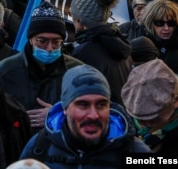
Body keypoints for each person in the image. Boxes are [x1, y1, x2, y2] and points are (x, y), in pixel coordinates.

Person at [19, 64, 151, 165]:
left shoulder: (134, 151)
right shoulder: (39, 147)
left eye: (101, 104)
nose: (93, 115)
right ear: (65, 108)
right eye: (83, 105)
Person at [0, 1, 83, 132]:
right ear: (30, 39)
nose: (49, 48)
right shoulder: (5, 72)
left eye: (56, 42)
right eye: (42, 41)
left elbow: (90, 114)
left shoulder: (77, 72)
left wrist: (59, 115)